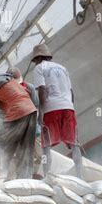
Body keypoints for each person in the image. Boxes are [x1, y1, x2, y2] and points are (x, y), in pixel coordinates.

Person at [31, 44, 83, 178]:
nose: (35, 62)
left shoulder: (39, 68)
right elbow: (71, 93)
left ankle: (47, 176)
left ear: (38, 58)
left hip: (51, 109)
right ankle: (80, 176)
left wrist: (40, 113)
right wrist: (71, 107)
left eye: (35, 59)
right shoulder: (63, 68)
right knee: (74, 143)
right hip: (68, 107)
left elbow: (42, 90)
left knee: (46, 146)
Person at [7, 67, 43, 180]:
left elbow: (36, 105)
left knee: (40, 155)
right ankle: (21, 179)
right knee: (20, 156)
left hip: (33, 128)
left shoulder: (30, 88)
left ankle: (34, 175)